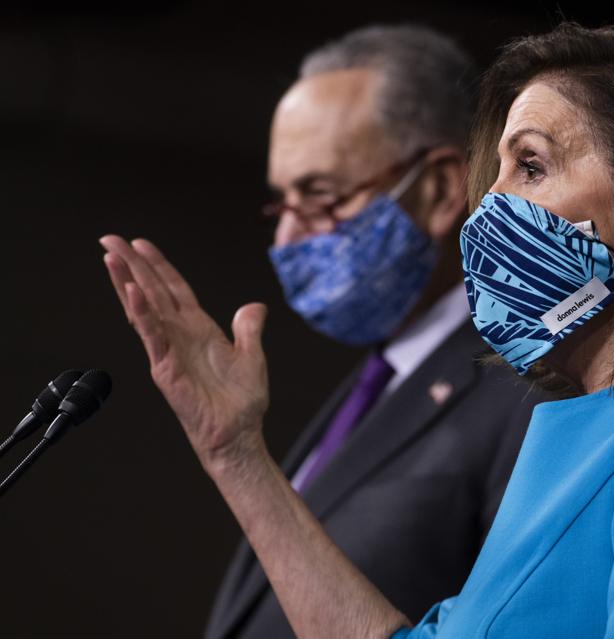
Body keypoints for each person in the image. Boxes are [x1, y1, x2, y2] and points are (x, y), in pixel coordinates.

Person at [100, 20, 614, 639]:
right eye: (494, 170)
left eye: (529, 166)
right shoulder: (571, 428)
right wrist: (235, 452)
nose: (485, 205)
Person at [102, 24, 541, 639]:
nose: (286, 241)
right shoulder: (375, 386)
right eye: (282, 203)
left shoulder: (530, 382)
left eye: (320, 196)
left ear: (441, 189)